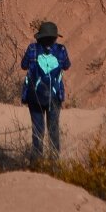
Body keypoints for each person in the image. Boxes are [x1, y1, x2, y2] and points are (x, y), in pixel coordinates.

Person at [21, 21, 71, 160]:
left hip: (34, 96)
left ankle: (37, 161)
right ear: (55, 37)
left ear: (40, 37)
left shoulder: (32, 49)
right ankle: (54, 161)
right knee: (53, 129)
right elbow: (66, 66)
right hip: (55, 96)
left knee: (38, 129)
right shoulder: (61, 50)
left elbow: (23, 65)